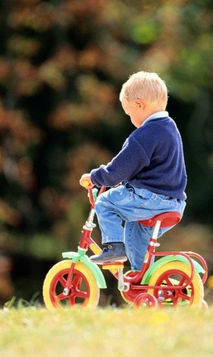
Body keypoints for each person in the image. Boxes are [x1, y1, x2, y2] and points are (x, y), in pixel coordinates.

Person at [79, 71, 187, 270]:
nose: (130, 118)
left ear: (139, 104)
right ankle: (144, 283)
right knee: (135, 234)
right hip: (174, 202)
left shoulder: (144, 135)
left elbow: (118, 170)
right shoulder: (170, 128)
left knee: (105, 202)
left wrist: (96, 177)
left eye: (129, 113)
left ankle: (114, 248)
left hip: (151, 198)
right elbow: (155, 169)